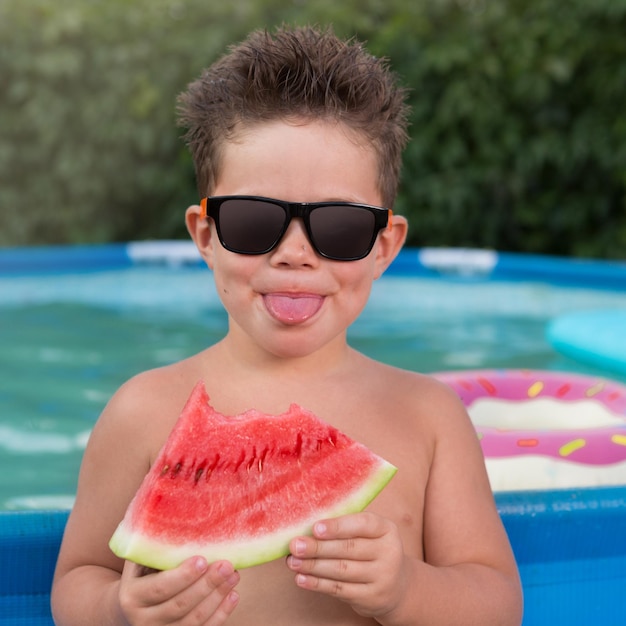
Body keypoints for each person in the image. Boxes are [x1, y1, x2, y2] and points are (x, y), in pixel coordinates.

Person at [51, 25, 523, 625]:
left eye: (339, 228)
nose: (295, 254)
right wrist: (118, 610)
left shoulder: (429, 418)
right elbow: (76, 580)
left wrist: (408, 590)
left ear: (384, 246)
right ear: (206, 236)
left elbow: (497, 603)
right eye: (253, 222)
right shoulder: (141, 411)